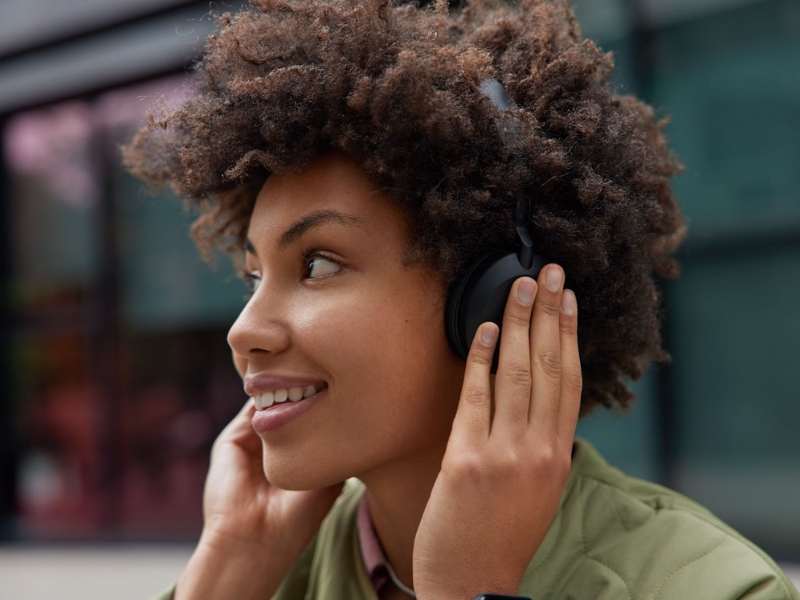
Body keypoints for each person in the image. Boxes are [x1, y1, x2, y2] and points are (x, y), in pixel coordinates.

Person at [124, 0, 800, 598]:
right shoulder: (262, 573)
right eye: (252, 277)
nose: (244, 331)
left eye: (319, 264)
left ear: (500, 301)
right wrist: (229, 570)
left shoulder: (713, 588)